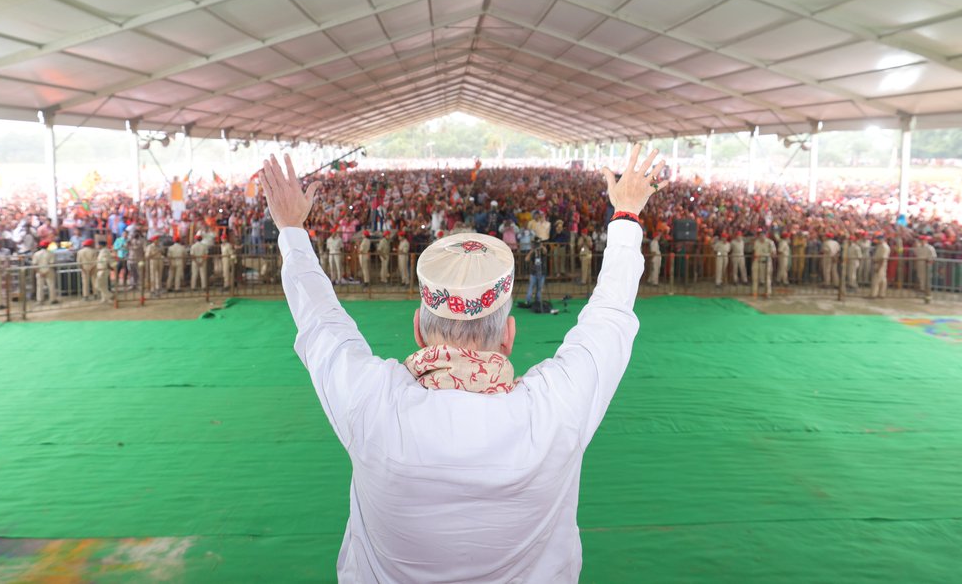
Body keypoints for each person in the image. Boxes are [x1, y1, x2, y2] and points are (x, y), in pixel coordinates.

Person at [260, 143, 667, 581]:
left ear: (418, 328)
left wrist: (291, 229)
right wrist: (626, 214)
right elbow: (609, 317)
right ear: (509, 337)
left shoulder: (372, 403)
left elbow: (321, 321)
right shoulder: (554, 410)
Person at [523, 238, 549, 309]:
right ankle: (527, 301)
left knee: (539, 288)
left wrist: (541, 246)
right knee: (531, 286)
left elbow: (545, 252)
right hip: (533, 273)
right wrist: (532, 250)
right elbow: (526, 259)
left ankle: (538, 301)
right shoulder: (533, 252)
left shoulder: (542, 251)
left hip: (542, 272)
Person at [751, 230, 774, 297]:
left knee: (767, 278)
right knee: (755, 277)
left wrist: (766, 255)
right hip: (757, 261)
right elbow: (754, 251)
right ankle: (754, 292)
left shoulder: (770, 242)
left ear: (765, 235)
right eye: (760, 235)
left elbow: (773, 253)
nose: (761, 236)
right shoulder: (756, 242)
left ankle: (768, 293)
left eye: (763, 235)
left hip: (766, 262)